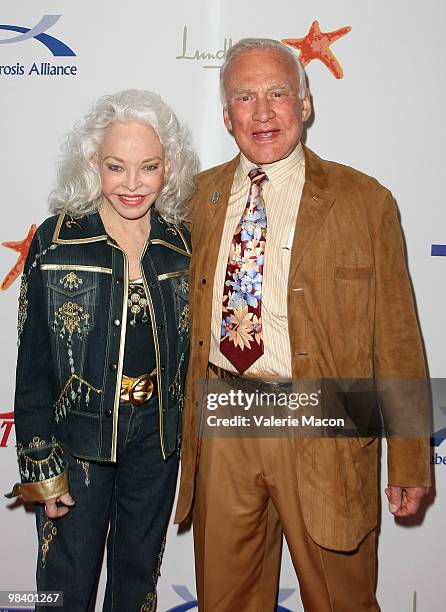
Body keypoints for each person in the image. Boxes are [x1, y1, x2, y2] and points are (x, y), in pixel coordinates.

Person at [175, 38, 431, 611]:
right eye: (244, 97)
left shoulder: (366, 202)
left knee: (340, 601)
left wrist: (411, 455)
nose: (262, 113)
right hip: (226, 413)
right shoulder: (197, 197)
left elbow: (398, 340)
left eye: (277, 94)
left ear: (305, 103)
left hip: (326, 418)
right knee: (226, 601)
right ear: (225, 115)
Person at [7, 89, 198, 611]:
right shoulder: (56, 240)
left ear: (169, 166)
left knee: (138, 581)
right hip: (78, 441)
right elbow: (34, 365)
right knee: (63, 585)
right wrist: (40, 462)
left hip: (156, 441)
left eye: (149, 167)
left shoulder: (182, 244)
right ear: (93, 163)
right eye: (117, 166)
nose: (132, 184)